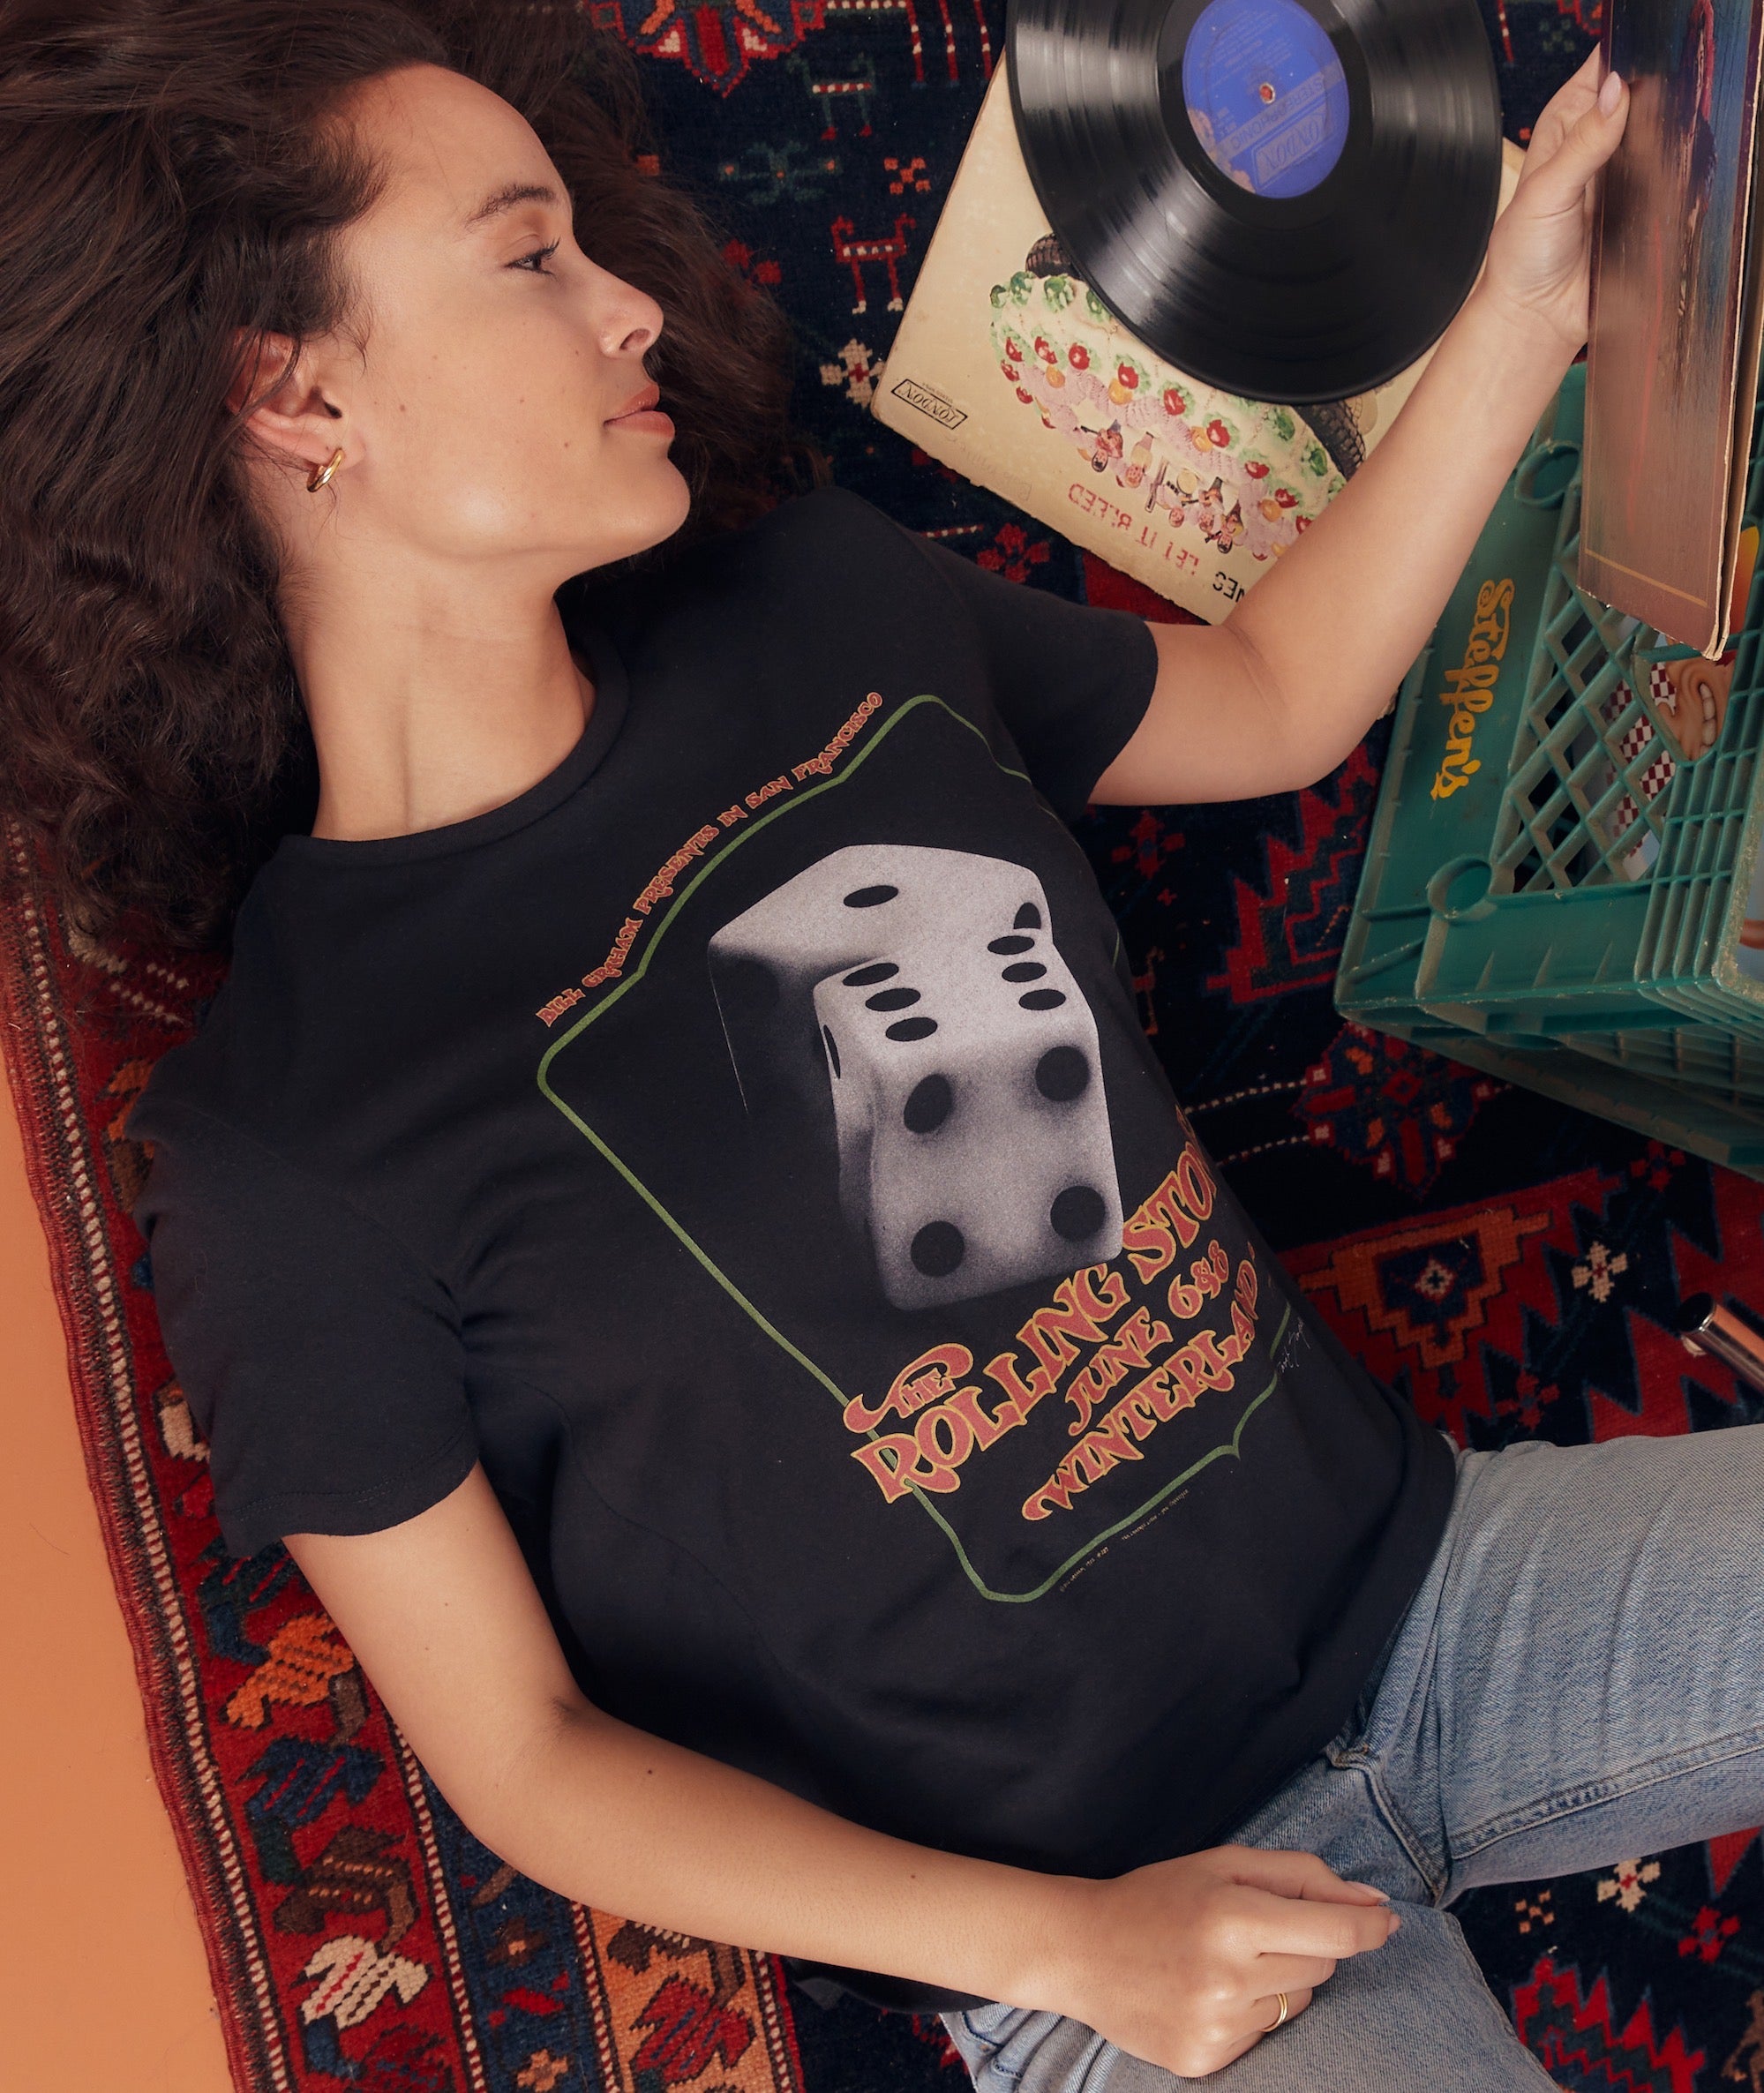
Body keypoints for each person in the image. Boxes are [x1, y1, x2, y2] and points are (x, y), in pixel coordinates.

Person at [10, 7, 1753, 2089]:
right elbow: (523, 1755)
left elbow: (1277, 693)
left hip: (1449, 1589)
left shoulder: (817, 608)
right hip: (1098, 1929)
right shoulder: (289, 1139)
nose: (625, 303)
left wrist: (1526, 307)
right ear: (294, 395)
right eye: (528, 256)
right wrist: (1073, 1949)